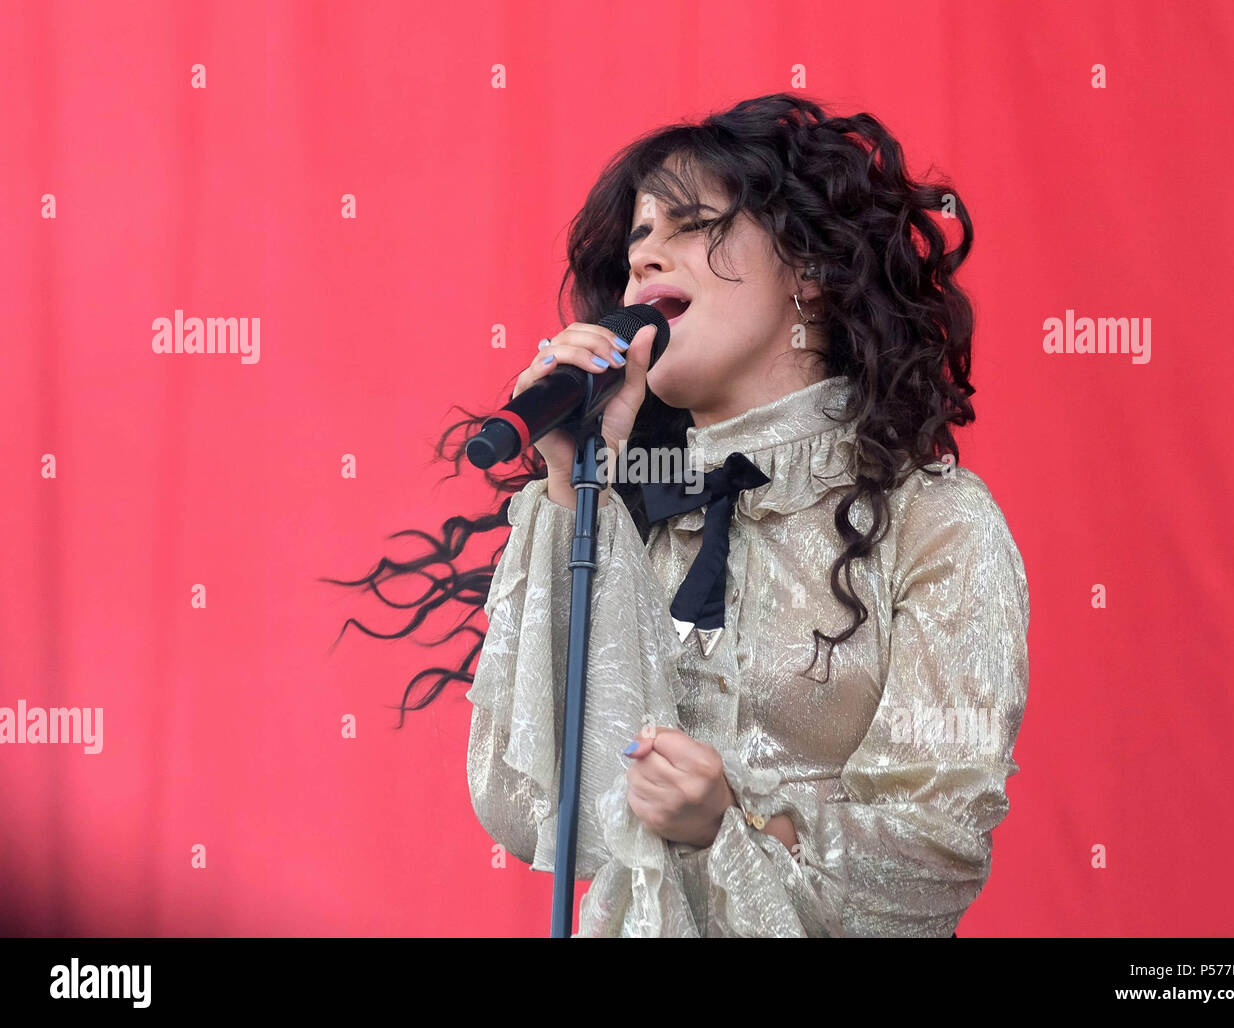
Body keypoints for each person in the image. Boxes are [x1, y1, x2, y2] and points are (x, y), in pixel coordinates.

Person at [329, 93, 1029, 937]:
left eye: (689, 223)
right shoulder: (623, 515)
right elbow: (532, 807)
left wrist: (722, 826)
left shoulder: (936, 521)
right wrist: (569, 482)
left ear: (808, 268)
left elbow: (933, 852)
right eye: (636, 243)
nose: (647, 256)